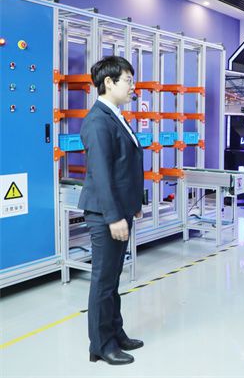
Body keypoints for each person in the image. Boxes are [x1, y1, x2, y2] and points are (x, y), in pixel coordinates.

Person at [79, 56, 144, 365]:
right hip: (105, 215)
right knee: (103, 281)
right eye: (128, 80)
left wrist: (133, 206)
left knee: (113, 278)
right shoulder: (97, 121)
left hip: (119, 210)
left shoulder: (114, 115)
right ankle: (101, 344)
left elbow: (124, 166)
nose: (133, 86)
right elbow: (102, 175)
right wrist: (114, 216)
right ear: (109, 82)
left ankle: (115, 333)